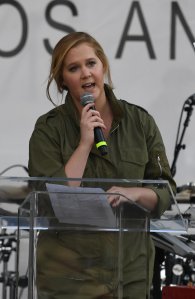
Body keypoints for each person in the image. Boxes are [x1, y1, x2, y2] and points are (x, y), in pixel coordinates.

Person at [28, 31, 176, 299]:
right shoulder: (48, 129)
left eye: (91, 63)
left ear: (103, 67)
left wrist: (134, 193)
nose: (85, 73)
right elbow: (47, 200)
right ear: (63, 80)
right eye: (74, 68)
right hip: (69, 276)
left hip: (129, 272)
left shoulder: (140, 122)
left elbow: (166, 191)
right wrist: (84, 144)